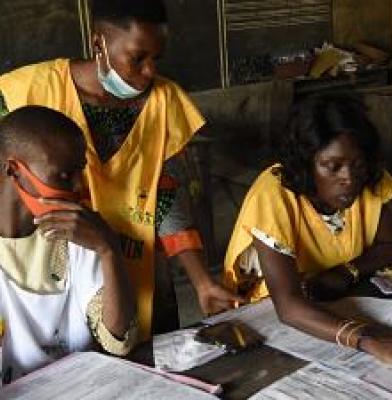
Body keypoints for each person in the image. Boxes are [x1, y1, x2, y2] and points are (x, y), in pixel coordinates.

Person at [0, 0, 241, 339]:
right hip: (51, 275)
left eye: (156, 59)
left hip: (138, 275)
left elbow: (167, 197)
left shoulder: (163, 101)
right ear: (98, 43)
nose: (149, 72)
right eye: (137, 58)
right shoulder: (24, 90)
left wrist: (202, 281)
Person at [223, 92, 392, 383]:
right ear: (306, 164)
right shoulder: (274, 194)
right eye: (332, 167)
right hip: (268, 317)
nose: (349, 177)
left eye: (357, 164)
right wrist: (369, 339)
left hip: (333, 299)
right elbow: (288, 305)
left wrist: (348, 271)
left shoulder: (366, 178)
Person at [0, 106, 137, 383]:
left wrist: (109, 250)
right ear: (13, 169)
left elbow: (118, 339)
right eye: (63, 175)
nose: (77, 186)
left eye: (80, 172)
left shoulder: (78, 232)